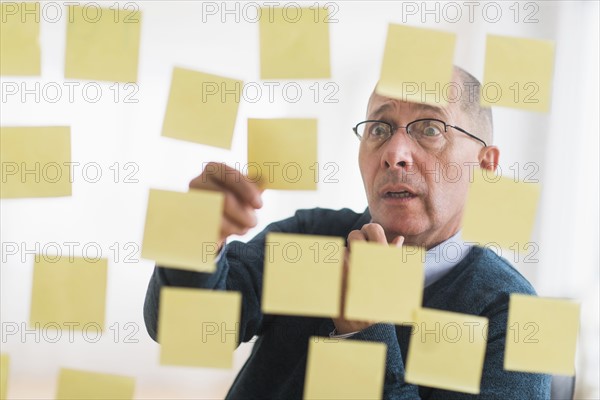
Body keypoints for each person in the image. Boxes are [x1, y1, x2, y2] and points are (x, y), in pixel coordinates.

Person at [143, 67, 551, 398]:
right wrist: (195, 239)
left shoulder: (515, 318)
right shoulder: (311, 238)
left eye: (429, 128)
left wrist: (361, 332)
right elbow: (184, 332)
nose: (394, 152)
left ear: (484, 164)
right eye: (379, 128)